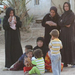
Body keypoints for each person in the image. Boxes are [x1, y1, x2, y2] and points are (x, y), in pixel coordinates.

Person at [59, 2, 75, 67]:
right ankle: (65, 62)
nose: (66, 8)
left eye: (67, 6)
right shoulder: (63, 15)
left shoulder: (72, 14)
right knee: (64, 46)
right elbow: (59, 23)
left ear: (69, 7)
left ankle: (73, 62)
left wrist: (63, 23)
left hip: (70, 33)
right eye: (65, 6)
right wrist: (64, 24)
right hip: (63, 33)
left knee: (71, 45)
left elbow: (69, 22)